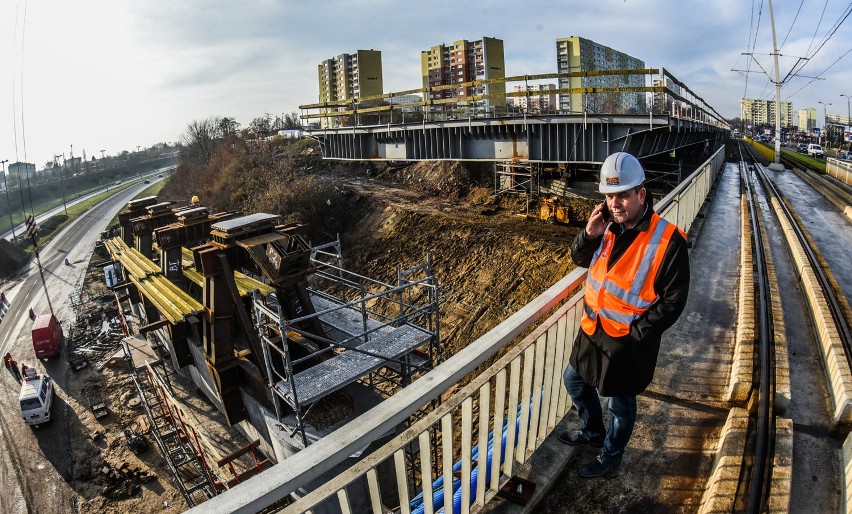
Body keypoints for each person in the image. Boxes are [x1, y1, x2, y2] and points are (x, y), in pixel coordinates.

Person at [560, 152, 690, 478]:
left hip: (628, 342)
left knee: (621, 406)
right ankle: (592, 432)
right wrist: (589, 234)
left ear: (641, 194)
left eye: (623, 195)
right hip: (593, 330)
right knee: (573, 380)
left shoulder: (667, 241)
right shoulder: (606, 225)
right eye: (609, 195)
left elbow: (674, 301)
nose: (615, 203)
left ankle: (610, 455)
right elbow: (579, 257)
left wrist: (639, 333)